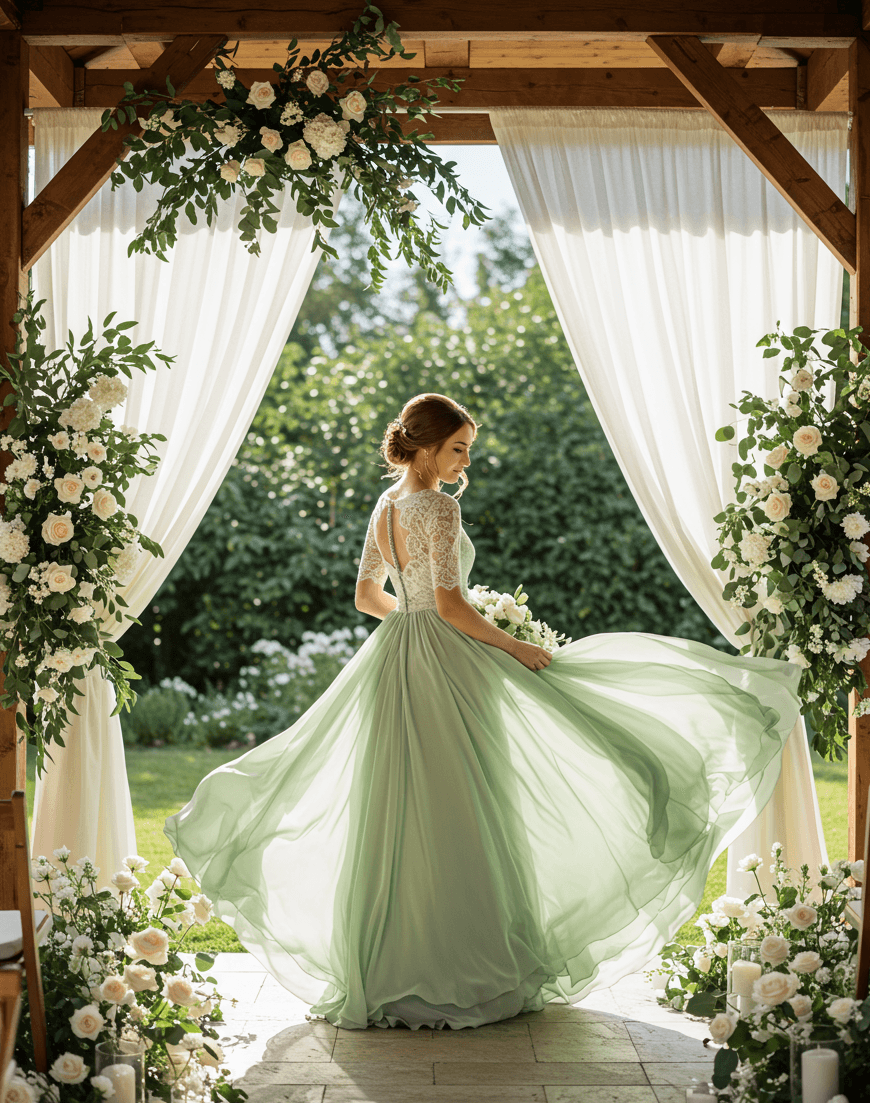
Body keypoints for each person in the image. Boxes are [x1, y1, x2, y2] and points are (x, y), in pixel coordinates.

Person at [166, 392, 801, 1030]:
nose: (465, 460)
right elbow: (449, 605)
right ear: (423, 446)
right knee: (465, 805)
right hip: (442, 663)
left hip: (396, 662)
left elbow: (366, 596)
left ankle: (388, 971)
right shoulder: (436, 507)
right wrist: (510, 643)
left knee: (401, 808)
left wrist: (412, 624)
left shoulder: (386, 506)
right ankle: (467, 970)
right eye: (458, 448)